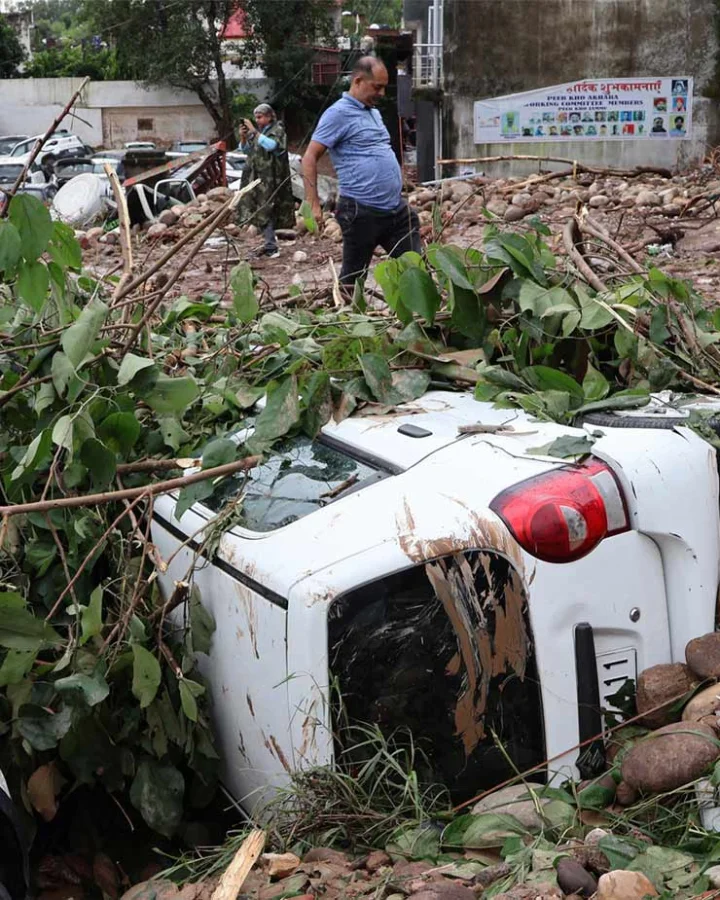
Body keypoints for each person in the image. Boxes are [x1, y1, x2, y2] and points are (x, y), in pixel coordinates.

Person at [301, 56, 420, 287]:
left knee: (415, 267)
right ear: (358, 81)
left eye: (384, 87)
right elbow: (309, 157)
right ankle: (346, 316)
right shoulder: (337, 114)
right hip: (360, 211)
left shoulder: (373, 112)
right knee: (353, 280)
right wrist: (312, 203)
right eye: (377, 87)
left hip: (394, 209)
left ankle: (418, 316)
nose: (382, 93)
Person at [238, 103, 294, 259]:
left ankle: (271, 246)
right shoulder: (259, 133)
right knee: (259, 209)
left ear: (269, 116)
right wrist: (243, 136)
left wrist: (255, 132)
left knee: (266, 210)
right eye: (255, 117)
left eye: (260, 117)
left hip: (272, 178)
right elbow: (246, 150)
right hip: (257, 179)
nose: (257, 120)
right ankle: (269, 243)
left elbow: (271, 145)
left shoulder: (277, 130)